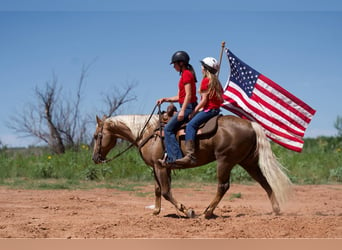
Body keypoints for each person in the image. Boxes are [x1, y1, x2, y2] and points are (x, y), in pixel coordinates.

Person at [175, 57, 223, 166]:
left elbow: (204, 101)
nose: (201, 68)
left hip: (208, 110)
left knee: (191, 125)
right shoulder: (216, 82)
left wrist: (194, 112)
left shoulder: (206, 81)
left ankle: (190, 155)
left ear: (205, 69)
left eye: (202, 66)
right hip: (216, 110)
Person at [157, 51, 197, 167]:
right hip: (186, 104)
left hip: (188, 107)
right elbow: (180, 97)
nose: (173, 66)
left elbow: (188, 95)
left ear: (181, 63)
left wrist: (183, 111)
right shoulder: (185, 74)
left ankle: (175, 158)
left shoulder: (186, 74)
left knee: (168, 129)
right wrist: (165, 99)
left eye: (174, 64)